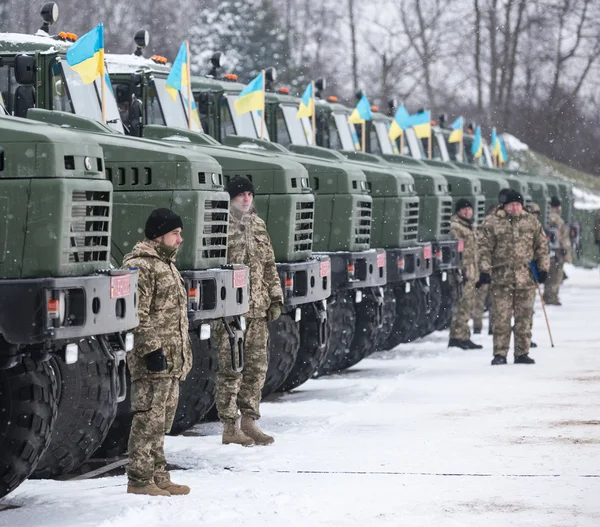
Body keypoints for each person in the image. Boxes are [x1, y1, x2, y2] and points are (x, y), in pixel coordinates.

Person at [123, 208, 192, 496]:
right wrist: (152, 350)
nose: (180, 239)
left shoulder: (167, 264)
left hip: (171, 359)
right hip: (153, 360)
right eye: (175, 233)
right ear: (158, 235)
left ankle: (158, 474)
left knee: (161, 421)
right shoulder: (141, 266)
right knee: (147, 417)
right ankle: (139, 479)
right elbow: (137, 314)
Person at [215, 176, 284, 446]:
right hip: (233, 310)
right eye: (240, 194)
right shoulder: (220, 225)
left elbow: (269, 264)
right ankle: (230, 426)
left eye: (249, 194)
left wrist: (275, 298)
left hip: (258, 308)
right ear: (231, 197)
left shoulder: (258, 224)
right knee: (232, 368)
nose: (246, 198)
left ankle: (249, 420)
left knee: (257, 367)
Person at [477, 189, 550, 365]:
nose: (516, 208)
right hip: (502, 278)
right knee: (501, 318)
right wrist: (485, 271)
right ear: (504, 205)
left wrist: (543, 269)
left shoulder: (531, 221)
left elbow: (541, 247)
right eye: (512, 205)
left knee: (524, 318)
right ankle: (500, 353)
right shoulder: (492, 222)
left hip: (526, 278)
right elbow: (484, 249)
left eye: (518, 204)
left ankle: (522, 352)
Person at [448, 199, 482, 350]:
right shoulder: (455, 227)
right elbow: (456, 252)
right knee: (462, 305)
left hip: (472, 271)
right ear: (458, 211)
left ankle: (463, 335)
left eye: (469, 209)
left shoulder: (470, 226)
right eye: (464, 209)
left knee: (468, 305)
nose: (467, 212)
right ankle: (457, 337)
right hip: (463, 272)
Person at [472, 204, 498, 335]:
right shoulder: (482, 231)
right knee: (480, 299)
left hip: (496, 270)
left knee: (494, 300)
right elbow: (480, 252)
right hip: (484, 269)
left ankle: (492, 327)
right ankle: (477, 326)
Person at [543, 197, 572, 305]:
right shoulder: (555, 218)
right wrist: (563, 248)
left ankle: (551, 296)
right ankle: (551, 297)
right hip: (557, 252)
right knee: (554, 275)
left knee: (555, 275)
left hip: (556, 251)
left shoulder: (551, 217)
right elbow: (559, 236)